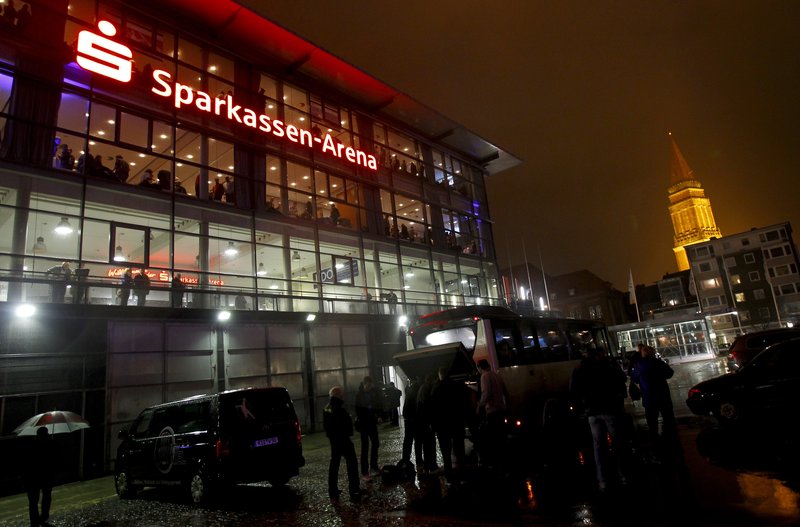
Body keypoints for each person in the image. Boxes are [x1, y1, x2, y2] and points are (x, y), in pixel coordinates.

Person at [570, 347, 629, 491]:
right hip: (609, 409)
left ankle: (602, 479)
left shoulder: (579, 369)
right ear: (598, 355)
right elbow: (621, 379)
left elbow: (574, 391)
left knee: (598, 445)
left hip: (592, 412)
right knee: (617, 442)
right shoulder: (607, 366)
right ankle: (622, 474)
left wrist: (582, 407)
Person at [631, 344, 676, 462]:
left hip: (649, 397)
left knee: (652, 423)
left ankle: (656, 447)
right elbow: (670, 373)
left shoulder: (639, 365)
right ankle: (670, 443)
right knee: (668, 419)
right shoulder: (659, 363)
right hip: (663, 396)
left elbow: (634, 378)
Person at [323, 385, 363, 500]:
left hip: (334, 440)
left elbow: (328, 425)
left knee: (334, 464)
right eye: (341, 394)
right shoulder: (339, 408)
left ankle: (332, 489)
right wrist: (349, 430)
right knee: (352, 464)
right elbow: (343, 424)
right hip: (343, 439)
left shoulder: (327, 407)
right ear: (337, 395)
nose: (343, 396)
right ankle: (354, 490)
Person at [431, 366, 469, 477]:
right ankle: (462, 474)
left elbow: (434, 409)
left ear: (440, 375)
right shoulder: (458, 386)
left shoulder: (437, 388)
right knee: (460, 450)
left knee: (445, 452)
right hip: (457, 423)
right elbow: (464, 404)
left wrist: (434, 426)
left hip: (443, 425)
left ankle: (449, 476)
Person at [476, 359, 509, 468]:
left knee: (494, 437)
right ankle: (504, 460)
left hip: (492, 410)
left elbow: (486, 393)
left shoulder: (484, 376)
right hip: (501, 408)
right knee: (501, 436)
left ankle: (496, 462)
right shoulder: (496, 375)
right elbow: (505, 392)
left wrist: (480, 405)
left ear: (480, 367)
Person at [25, 426, 56, 527]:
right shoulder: (51, 444)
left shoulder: (32, 445)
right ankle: (44, 516)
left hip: (33, 476)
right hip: (47, 475)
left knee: (33, 500)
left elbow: (27, 461)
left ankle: (35, 520)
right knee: (46, 496)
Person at [354, 376, 382, 479]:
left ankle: (373, 466)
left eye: (371, 385)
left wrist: (378, 415)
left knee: (375, 443)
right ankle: (365, 472)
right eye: (368, 385)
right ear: (365, 384)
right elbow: (358, 410)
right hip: (364, 424)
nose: (370, 387)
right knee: (365, 447)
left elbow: (377, 405)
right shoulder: (359, 395)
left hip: (371, 422)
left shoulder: (372, 393)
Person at [415, 373, 439, 474]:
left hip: (422, 422)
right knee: (430, 444)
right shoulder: (426, 390)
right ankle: (432, 466)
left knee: (427, 445)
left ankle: (427, 465)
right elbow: (427, 407)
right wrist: (430, 422)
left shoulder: (422, 389)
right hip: (426, 422)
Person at [400, 377, 424, 471]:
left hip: (409, 419)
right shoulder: (418, 389)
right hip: (414, 419)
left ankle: (406, 461)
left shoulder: (411, 389)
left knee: (408, 442)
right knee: (417, 442)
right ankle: (418, 462)